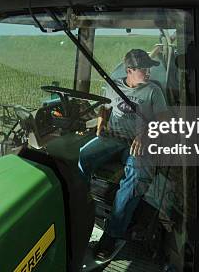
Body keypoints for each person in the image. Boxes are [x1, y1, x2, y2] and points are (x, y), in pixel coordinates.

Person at [78, 48, 168, 260]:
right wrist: (101, 125)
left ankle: (112, 233)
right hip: (112, 138)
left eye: (149, 69)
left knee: (135, 178)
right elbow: (105, 109)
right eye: (144, 69)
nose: (148, 73)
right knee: (81, 157)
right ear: (129, 70)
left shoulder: (153, 92)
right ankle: (78, 209)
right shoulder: (114, 87)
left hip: (139, 144)